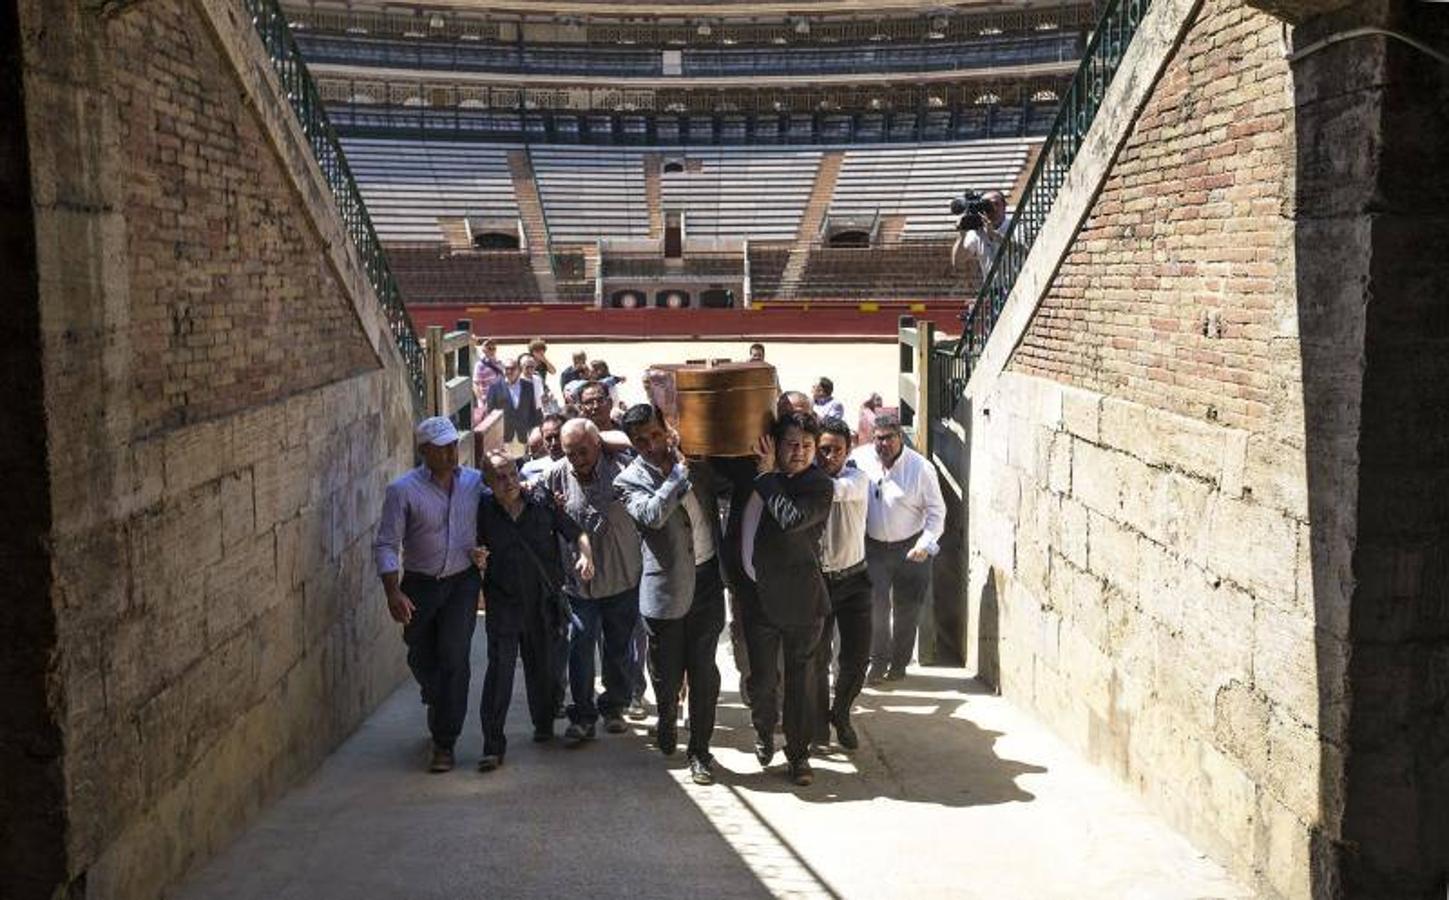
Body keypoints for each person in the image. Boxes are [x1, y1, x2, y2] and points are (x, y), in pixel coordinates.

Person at [615, 403, 727, 786]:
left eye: (655, 435)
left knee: (704, 673)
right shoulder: (628, 480)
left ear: (667, 429)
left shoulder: (694, 461)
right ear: (632, 443)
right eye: (640, 441)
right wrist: (678, 476)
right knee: (665, 675)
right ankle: (665, 717)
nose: (650, 445)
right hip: (665, 591)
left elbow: (727, 487)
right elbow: (651, 515)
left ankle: (700, 751)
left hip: (709, 580)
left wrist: (696, 462)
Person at [373, 417, 488, 773]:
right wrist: (393, 592)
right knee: (421, 656)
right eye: (441, 448)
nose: (451, 453)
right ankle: (435, 694)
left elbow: (501, 502)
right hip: (421, 586)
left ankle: (444, 742)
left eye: (454, 445)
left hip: (462, 583)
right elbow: (387, 543)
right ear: (424, 451)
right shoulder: (402, 490)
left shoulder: (473, 482)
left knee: (455, 658)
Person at [475, 450, 594, 772]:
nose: (508, 482)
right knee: (499, 672)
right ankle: (492, 746)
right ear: (487, 482)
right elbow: (473, 546)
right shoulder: (482, 510)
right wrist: (477, 557)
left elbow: (576, 532)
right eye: (499, 476)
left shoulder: (540, 501)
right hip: (503, 603)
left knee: (544, 668)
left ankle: (543, 724)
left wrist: (586, 557)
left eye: (512, 473)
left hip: (543, 602)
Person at [737, 411, 834, 787]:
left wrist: (766, 478)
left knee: (799, 683)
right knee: (762, 681)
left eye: (807, 446)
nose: (799, 452)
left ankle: (799, 755)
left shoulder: (819, 485)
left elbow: (790, 519)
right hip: (757, 597)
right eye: (791, 444)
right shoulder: (756, 475)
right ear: (775, 445)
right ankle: (763, 731)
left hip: (801, 602)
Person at [546, 420, 643, 743]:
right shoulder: (555, 475)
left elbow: (635, 442)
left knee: (618, 648)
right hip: (578, 585)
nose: (577, 459)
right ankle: (583, 716)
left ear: (598, 443)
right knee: (580, 646)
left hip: (621, 577)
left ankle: (614, 707)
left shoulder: (623, 467)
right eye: (570, 453)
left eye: (583, 451)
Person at [850, 412, 946, 684]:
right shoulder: (860, 459)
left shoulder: (921, 469)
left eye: (889, 439)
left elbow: (937, 512)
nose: (883, 445)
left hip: (911, 547)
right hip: (873, 548)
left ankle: (899, 664)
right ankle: (878, 662)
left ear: (899, 437)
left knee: (907, 609)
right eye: (878, 439)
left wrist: (925, 544)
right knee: (875, 608)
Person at [810, 417, 873, 751]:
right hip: (818, 582)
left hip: (853, 580)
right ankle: (818, 724)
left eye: (836, 449)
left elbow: (832, 491)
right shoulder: (809, 479)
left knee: (857, 658)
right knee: (817, 659)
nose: (829, 456)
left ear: (848, 448)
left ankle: (841, 712)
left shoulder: (857, 479)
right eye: (822, 450)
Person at [485, 356, 541, 455]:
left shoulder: (528, 386)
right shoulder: (495, 387)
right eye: (507, 368)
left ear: (519, 370)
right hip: (503, 437)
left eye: (512, 368)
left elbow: (533, 412)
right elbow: (490, 412)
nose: (509, 371)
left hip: (523, 436)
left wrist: (535, 431)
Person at [950, 190, 1008, 281]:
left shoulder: (1015, 226)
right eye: (988, 205)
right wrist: (962, 236)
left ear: (1004, 207)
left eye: (997, 204)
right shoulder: (978, 232)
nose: (994, 209)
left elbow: (1021, 249)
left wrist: (994, 234)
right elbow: (958, 262)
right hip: (993, 291)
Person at [521, 413, 566, 482]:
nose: (554, 443)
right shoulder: (528, 470)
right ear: (543, 440)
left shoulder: (579, 463)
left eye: (557, 436)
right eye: (548, 438)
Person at [472, 338, 505, 428]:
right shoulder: (480, 365)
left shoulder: (499, 363)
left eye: (494, 348)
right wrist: (480, 400)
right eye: (489, 348)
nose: (492, 351)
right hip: (487, 399)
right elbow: (475, 383)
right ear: (484, 350)